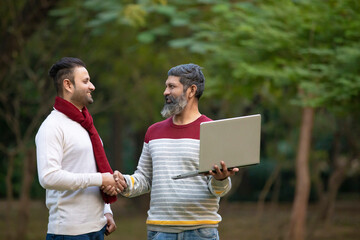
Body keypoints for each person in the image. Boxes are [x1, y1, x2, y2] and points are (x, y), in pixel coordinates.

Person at [110, 63, 239, 240]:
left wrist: (221, 179)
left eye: (172, 86)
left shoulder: (212, 131)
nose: (165, 92)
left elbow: (219, 190)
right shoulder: (153, 132)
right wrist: (124, 182)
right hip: (160, 232)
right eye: (166, 86)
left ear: (191, 90)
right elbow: (144, 178)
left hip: (201, 232)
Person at [35, 57, 126, 239]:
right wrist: (100, 179)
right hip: (69, 232)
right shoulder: (52, 126)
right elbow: (48, 177)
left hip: (97, 228)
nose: (92, 86)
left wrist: (107, 211)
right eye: (85, 81)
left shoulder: (87, 125)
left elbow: (96, 169)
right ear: (68, 85)